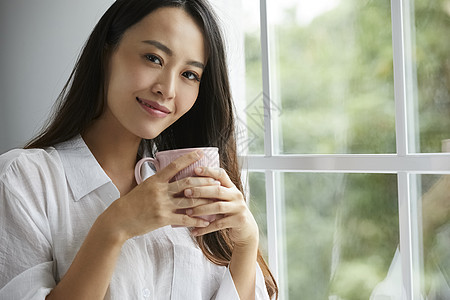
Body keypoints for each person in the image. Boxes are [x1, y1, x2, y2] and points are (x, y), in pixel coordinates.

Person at [0, 0, 278, 299]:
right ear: (107, 52)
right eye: (153, 58)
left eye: (190, 74)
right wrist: (113, 229)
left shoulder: (191, 188)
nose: (167, 89)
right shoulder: (23, 179)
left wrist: (247, 245)